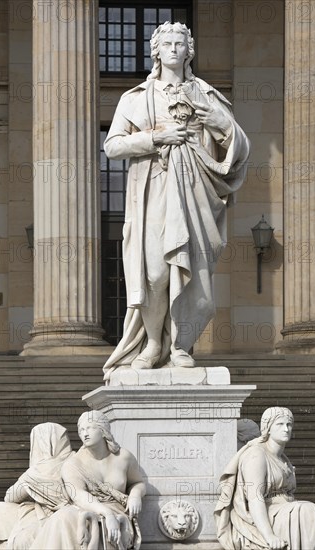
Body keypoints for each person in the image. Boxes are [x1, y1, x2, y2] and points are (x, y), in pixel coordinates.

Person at [103, 21, 250, 380]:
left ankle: (181, 345)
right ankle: (154, 342)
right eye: (166, 43)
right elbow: (112, 145)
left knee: (195, 276)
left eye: (180, 43)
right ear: (155, 51)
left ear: (189, 50)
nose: (173, 48)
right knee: (154, 272)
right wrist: (156, 136)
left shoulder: (206, 93)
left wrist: (210, 113)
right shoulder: (136, 97)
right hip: (153, 191)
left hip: (195, 193)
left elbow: (237, 144)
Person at [214, 407, 315, 549]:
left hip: (287, 510)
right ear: (267, 428)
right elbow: (255, 499)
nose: (286, 429)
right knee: (308, 511)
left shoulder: (282, 458)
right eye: (280, 424)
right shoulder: (256, 455)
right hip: (268, 514)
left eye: (289, 424)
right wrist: (269, 536)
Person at [50, 410, 145, 550]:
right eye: (81, 430)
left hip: (118, 511)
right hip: (88, 508)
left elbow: (137, 482)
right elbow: (79, 495)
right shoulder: (73, 464)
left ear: (103, 430)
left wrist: (136, 495)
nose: (85, 433)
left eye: (90, 428)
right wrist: (106, 513)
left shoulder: (123, 457)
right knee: (64, 517)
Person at [0, 422, 74, 550]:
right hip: (39, 511)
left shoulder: (72, 463)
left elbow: (11, 496)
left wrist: (30, 485)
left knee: (22, 538)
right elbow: (10, 497)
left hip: (59, 516)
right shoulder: (37, 472)